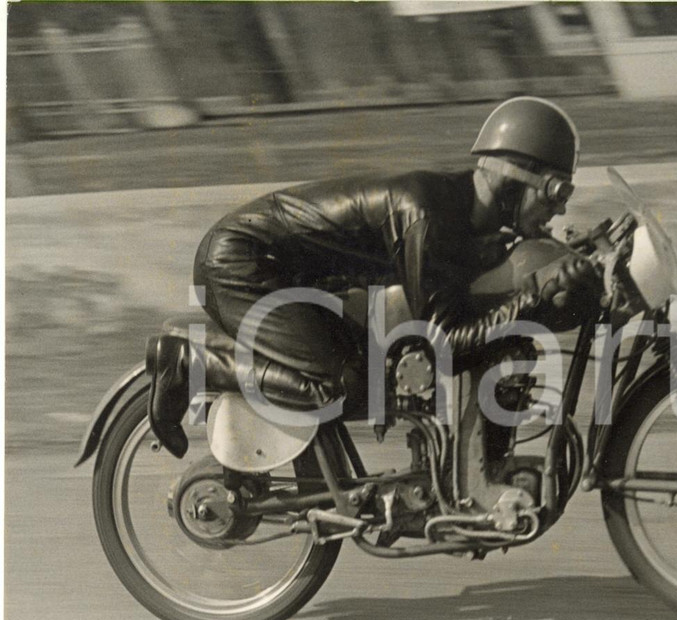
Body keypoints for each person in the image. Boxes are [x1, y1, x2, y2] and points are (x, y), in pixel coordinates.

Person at [146, 96, 603, 458]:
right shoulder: (426, 213)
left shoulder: (463, 216)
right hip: (241, 264)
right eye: (555, 190)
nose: (560, 206)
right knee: (342, 385)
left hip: (289, 274)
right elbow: (444, 344)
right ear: (512, 181)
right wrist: (535, 292)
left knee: (374, 373)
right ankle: (189, 361)